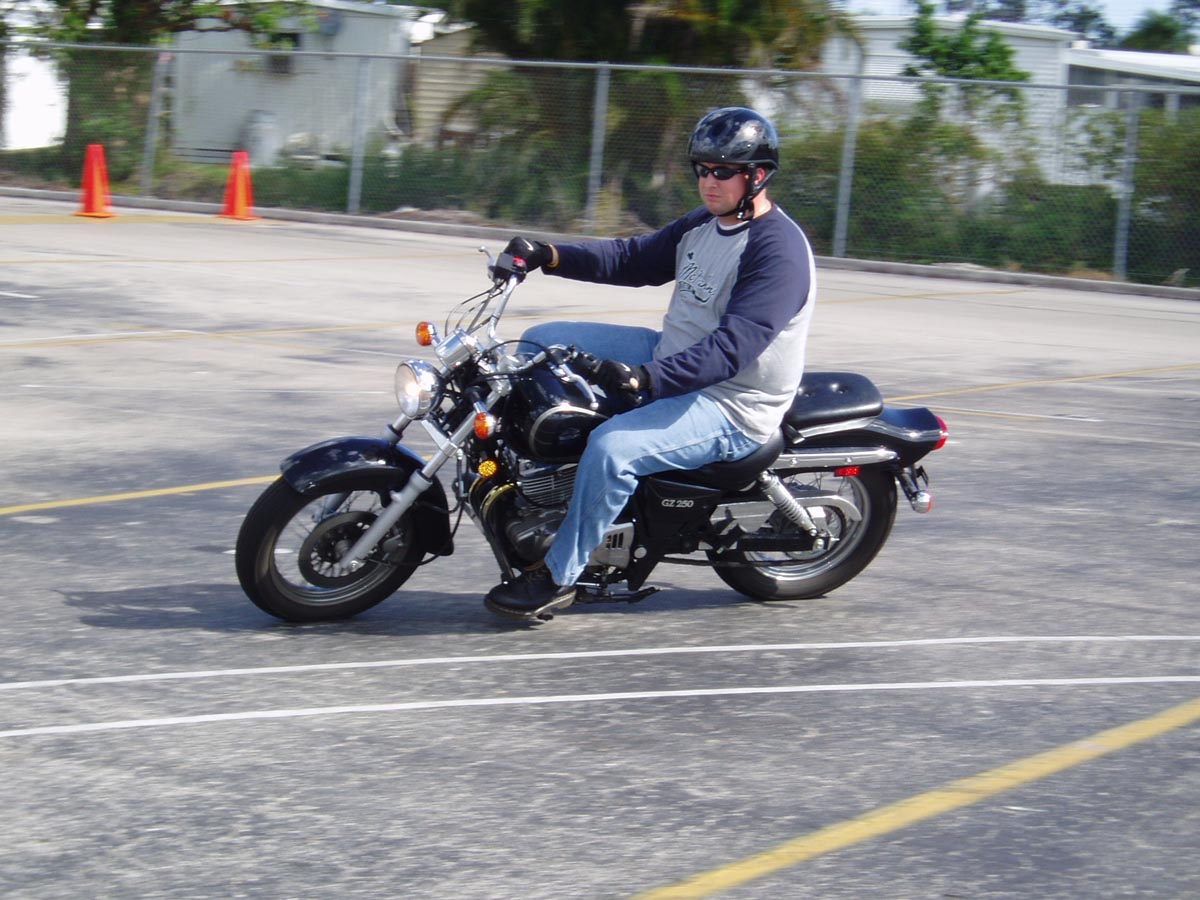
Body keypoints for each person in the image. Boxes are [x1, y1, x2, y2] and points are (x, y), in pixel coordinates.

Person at [484, 106, 817, 621]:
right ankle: (544, 488)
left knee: (613, 448)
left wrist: (647, 380)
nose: (709, 181)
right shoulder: (706, 223)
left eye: (724, 171)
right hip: (672, 354)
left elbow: (733, 349)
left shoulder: (777, 251)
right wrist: (548, 255)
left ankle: (556, 576)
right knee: (540, 342)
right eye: (702, 169)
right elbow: (633, 258)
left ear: (757, 176)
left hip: (732, 400)